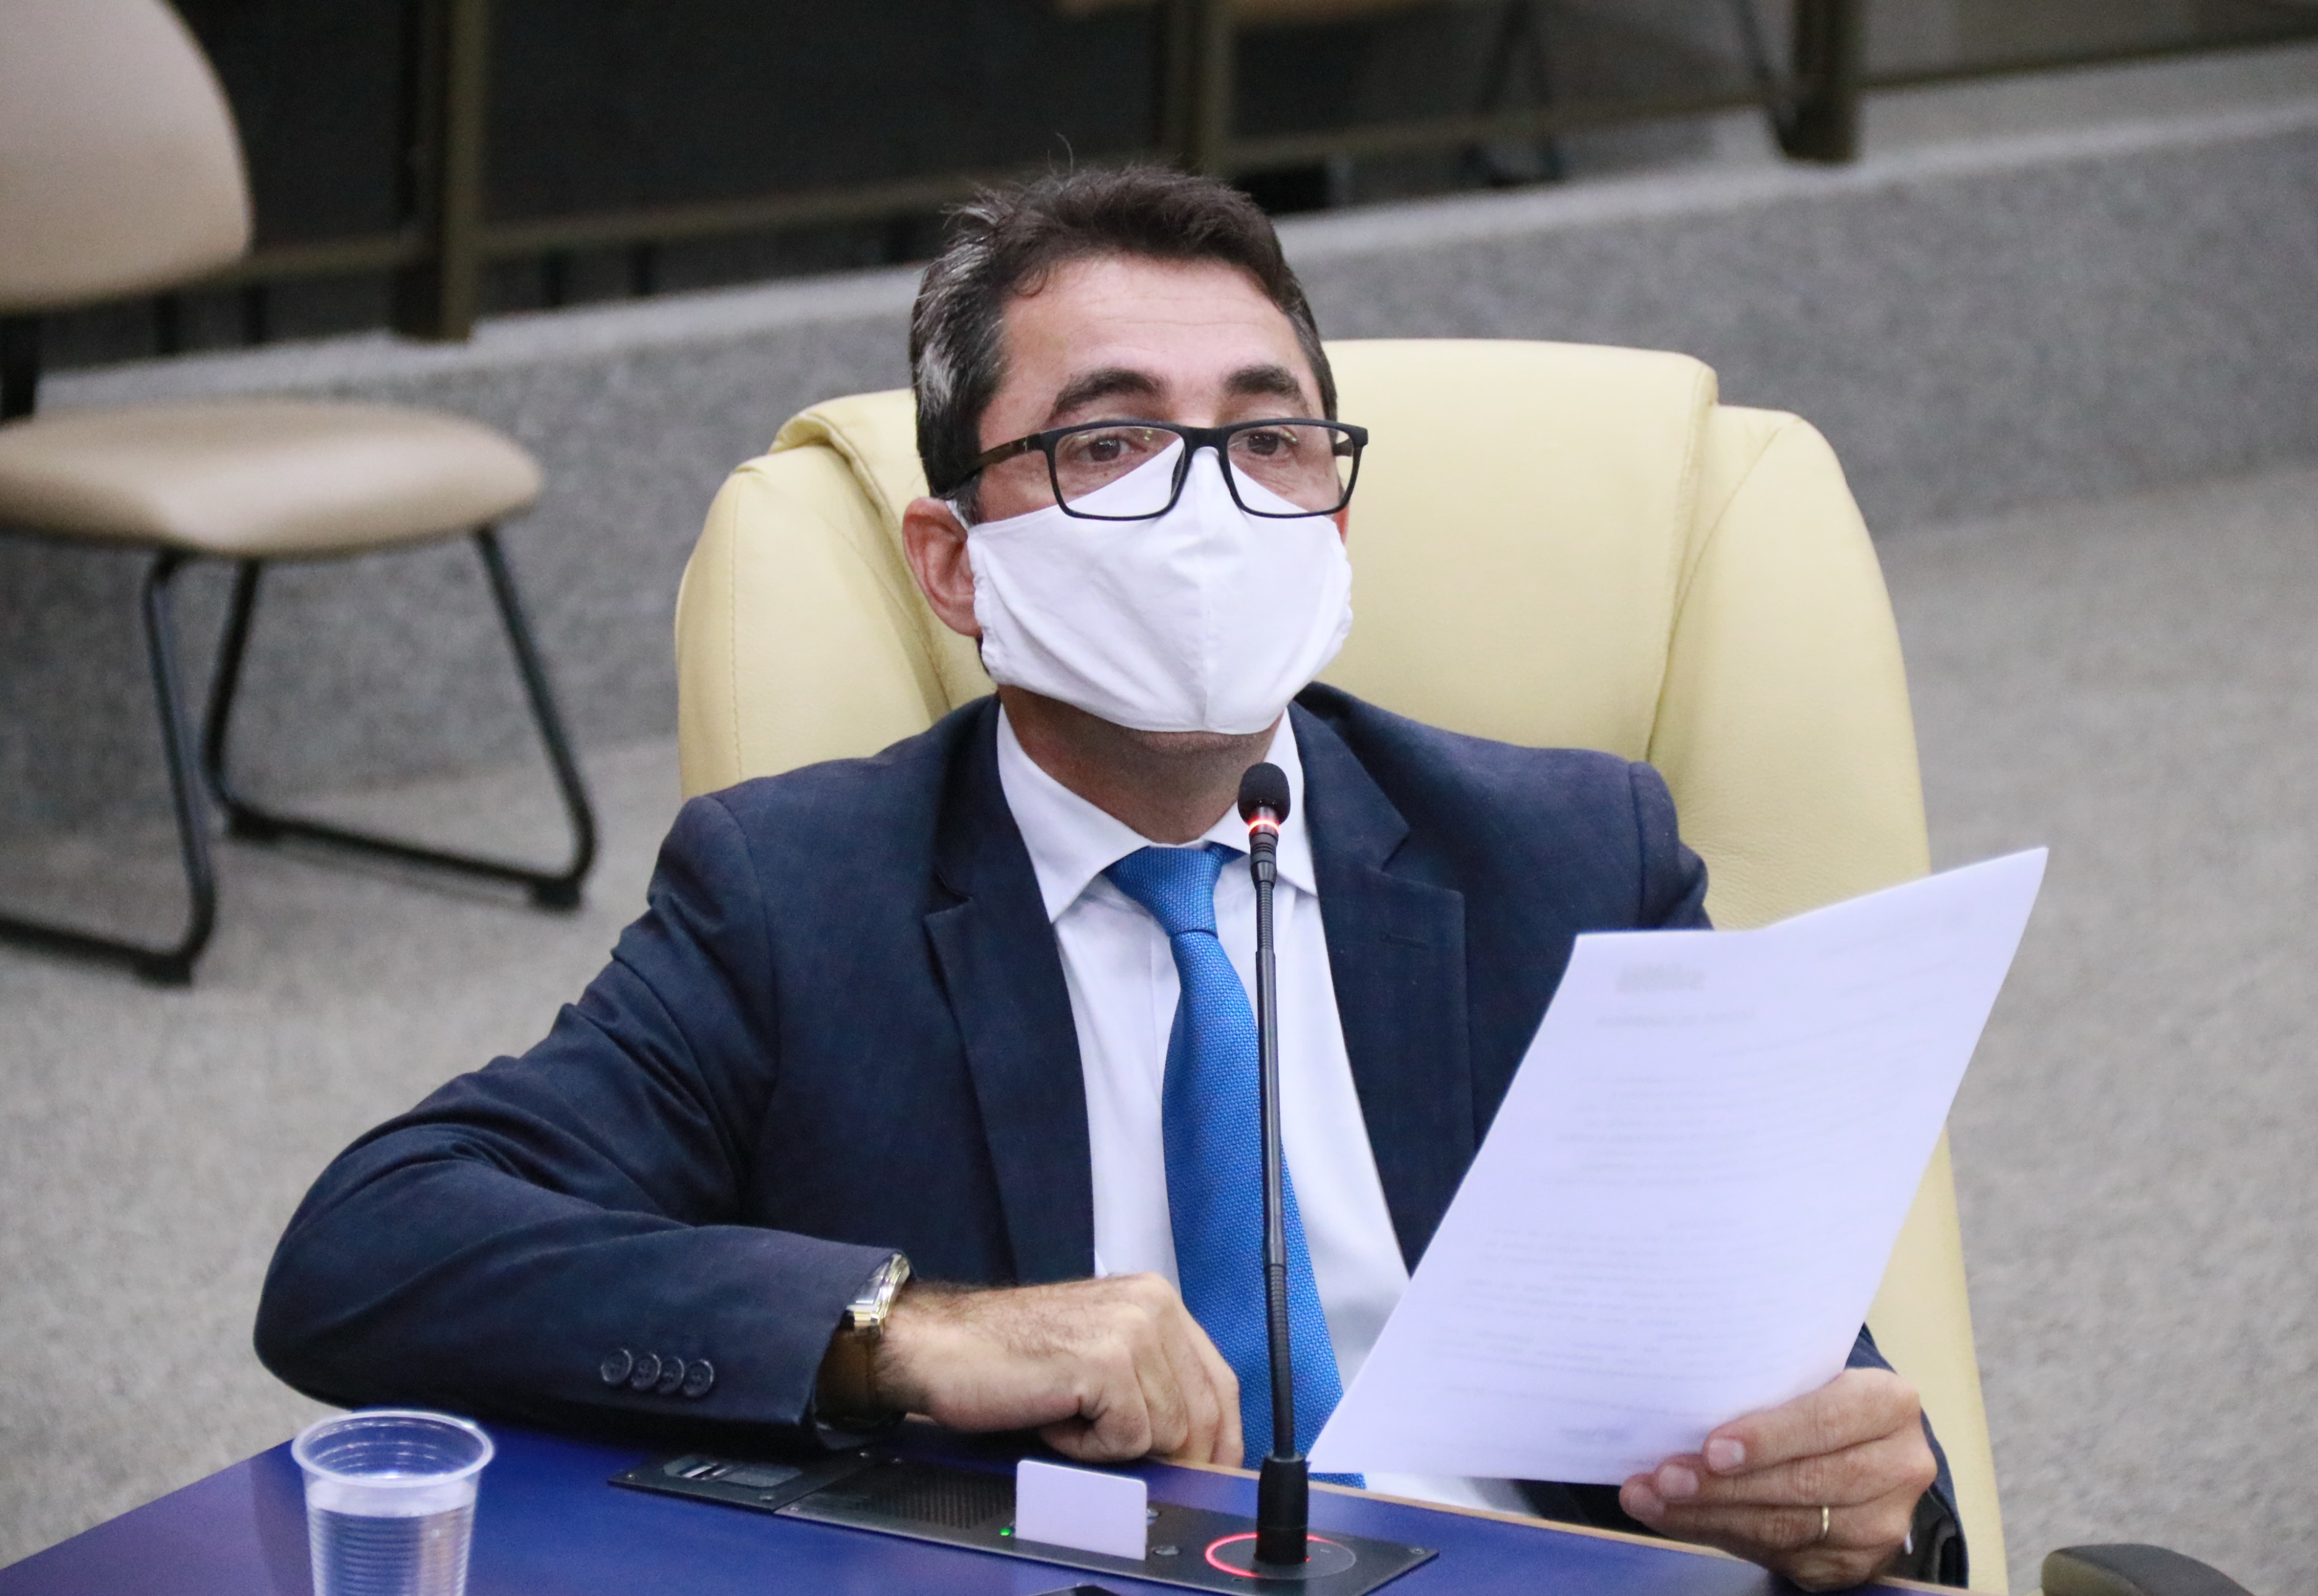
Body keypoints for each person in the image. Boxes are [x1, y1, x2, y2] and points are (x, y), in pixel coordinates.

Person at [255, 166, 1961, 1591]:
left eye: (1270, 439)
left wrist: (1862, 1488)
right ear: (956, 564)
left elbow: (1808, 1394)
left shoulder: (1567, 857)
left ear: (1336, 527)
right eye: (1111, 442)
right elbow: (371, 1251)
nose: (1210, 506)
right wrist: (907, 1333)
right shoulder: (801, 893)